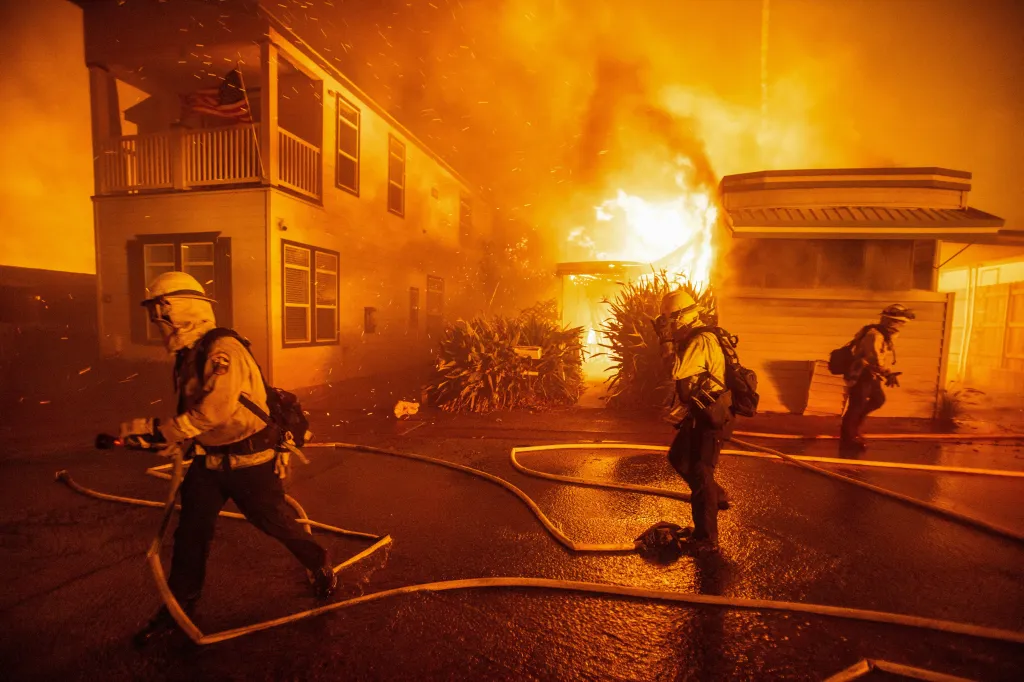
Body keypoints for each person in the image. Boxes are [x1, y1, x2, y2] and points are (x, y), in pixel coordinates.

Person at [119, 271, 336, 646]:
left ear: (182, 308)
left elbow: (212, 413)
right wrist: (179, 443)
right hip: (209, 463)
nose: (158, 320)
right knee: (190, 536)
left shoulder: (224, 350)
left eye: (162, 310)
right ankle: (179, 609)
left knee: (274, 522)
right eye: (156, 312)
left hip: (251, 463)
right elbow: (196, 410)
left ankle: (318, 562)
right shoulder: (189, 354)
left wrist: (158, 430)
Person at [653, 287, 733, 555]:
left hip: (710, 417)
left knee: (700, 474)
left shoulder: (700, 341)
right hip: (698, 413)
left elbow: (675, 370)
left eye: (670, 321)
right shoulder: (693, 337)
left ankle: (707, 538)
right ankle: (716, 494)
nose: (669, 326)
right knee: (678, 457)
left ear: (682, 317)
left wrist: (665, 341)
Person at [840, 303, 915, 451]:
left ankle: (853, 428)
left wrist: (885, 373)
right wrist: (887, 373)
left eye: (902, 323)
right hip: (861, 373)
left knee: (878, 400)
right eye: (899, 322)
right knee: (856, 405)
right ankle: (848, 438)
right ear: (888, 321)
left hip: (871, 373)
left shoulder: (884, 334)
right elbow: (874, 358)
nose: (901, 325)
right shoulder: (875, 335)